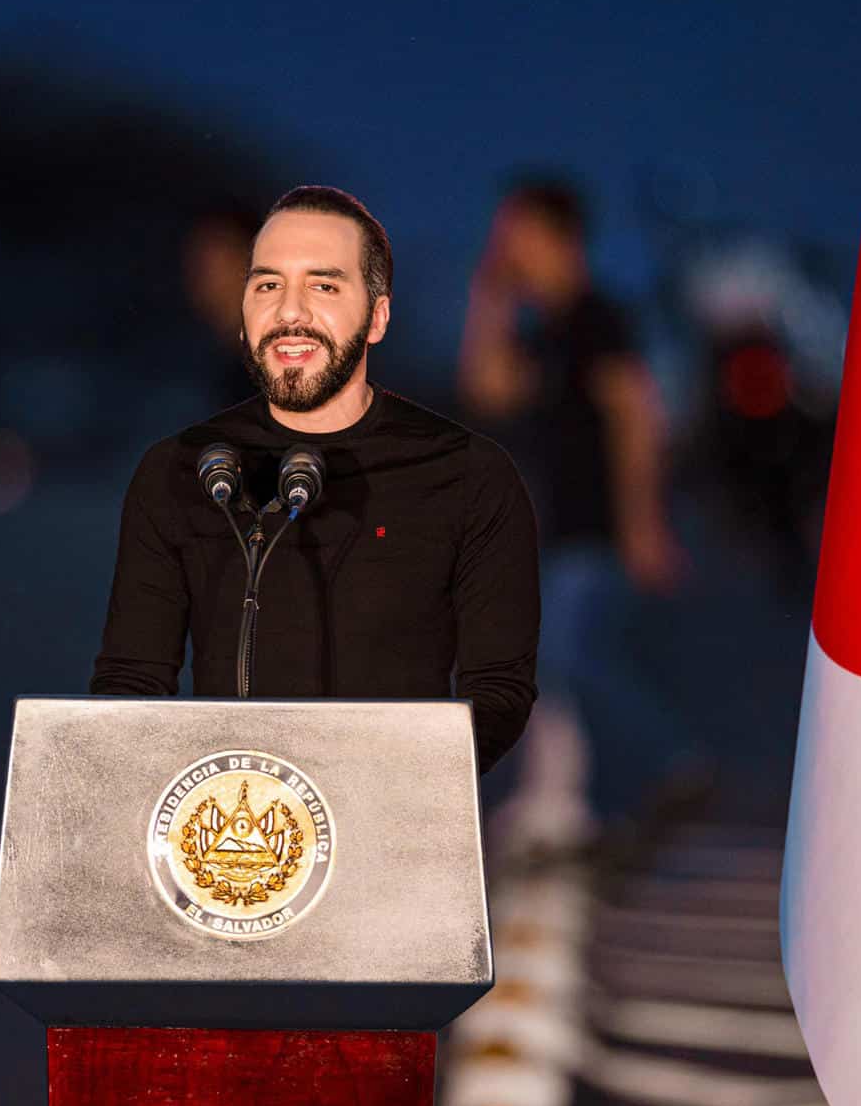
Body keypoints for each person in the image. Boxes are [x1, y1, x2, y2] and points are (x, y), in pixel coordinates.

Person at [89, 185, 540, 771]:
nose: (290, 312)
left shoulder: (468, 474)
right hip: (230, 840)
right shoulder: (179, 471)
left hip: (393, 831)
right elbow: (131, 683)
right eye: (267, 285)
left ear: (377, 315)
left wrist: (392, 789)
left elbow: (499, 694)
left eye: (323, 286)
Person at [457, 177, 695, 824]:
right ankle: (559, 804)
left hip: (600, 525)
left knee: (570, 660)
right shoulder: (547, 331)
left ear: (561, 238)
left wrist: (645, 524)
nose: (507, 250)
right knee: (555, 667)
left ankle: (672, 761)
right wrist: (490, 297)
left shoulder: (598, 318)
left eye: (517, 236)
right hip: (555, 527)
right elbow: (489, 390)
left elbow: (637, 418)